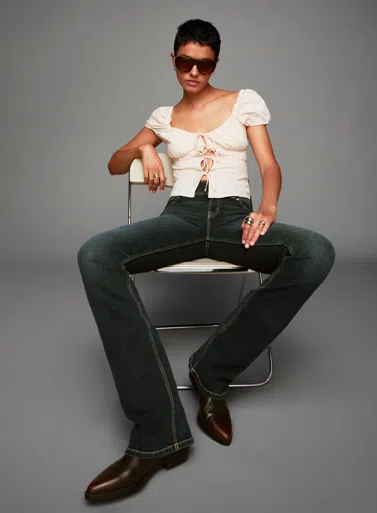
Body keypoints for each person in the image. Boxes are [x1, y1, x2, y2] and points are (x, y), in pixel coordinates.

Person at [78, 18, 335, 503]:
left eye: (205, 64)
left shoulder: (244, 101)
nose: (194, 72)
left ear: (215, 64)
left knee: (315, 251)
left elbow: (269, 164)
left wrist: (267, 209)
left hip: (237, 218)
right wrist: (146, 146)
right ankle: (159, 432)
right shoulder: (162, 115)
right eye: (185, 62)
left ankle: (212, 371)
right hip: (181, 219)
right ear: (173, 60)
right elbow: (115, 163)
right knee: (95, 254)